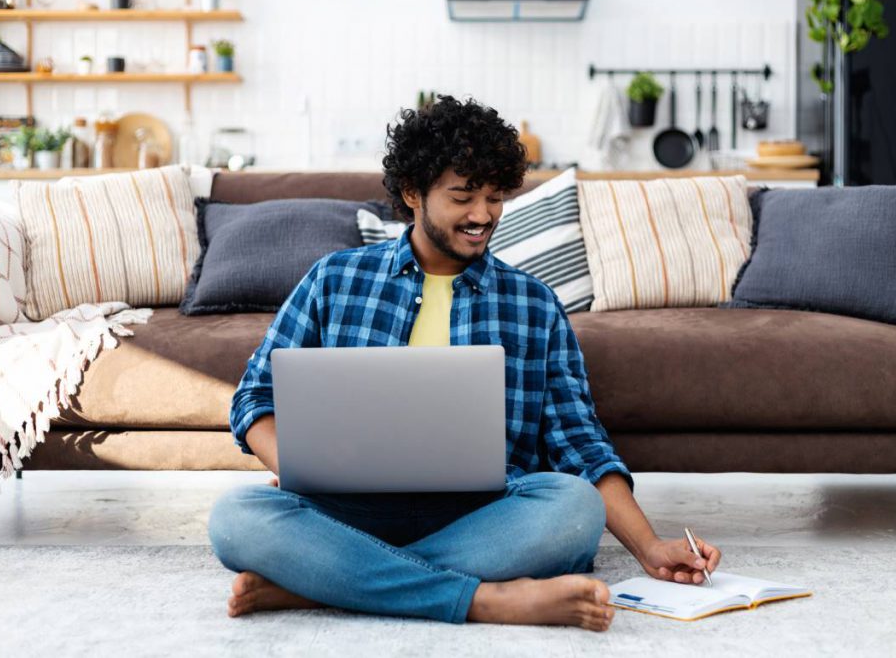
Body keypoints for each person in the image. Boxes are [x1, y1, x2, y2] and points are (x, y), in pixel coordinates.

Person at [208, 95, 720, 631]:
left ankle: (319, 585)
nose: (483, 215)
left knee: (573, 508)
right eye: (463, 197)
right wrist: (302, 470)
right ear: (413, 194)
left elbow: (580, 445)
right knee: (236, 517)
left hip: (483, 515)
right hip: (347, 511)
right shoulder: (334, 279)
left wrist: (650, 547)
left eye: (495, 198)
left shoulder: (534, 303)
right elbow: (254, 397)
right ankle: (486, 600)